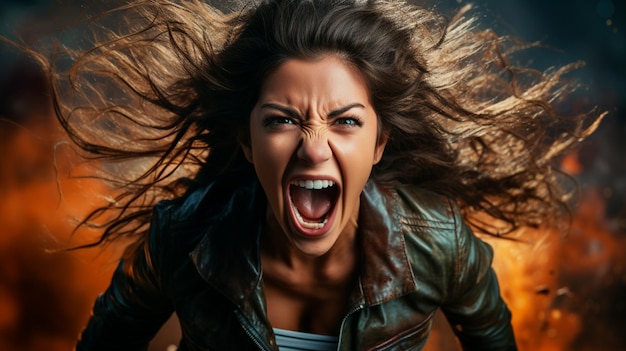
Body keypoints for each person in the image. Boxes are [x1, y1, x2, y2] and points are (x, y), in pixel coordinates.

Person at [18, 0, 601, 350]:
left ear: (379, 143)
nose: (314, 148)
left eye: (345, 122)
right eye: (282, 120)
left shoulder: (439, 243)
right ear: (246, 141)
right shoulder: (185, 237)